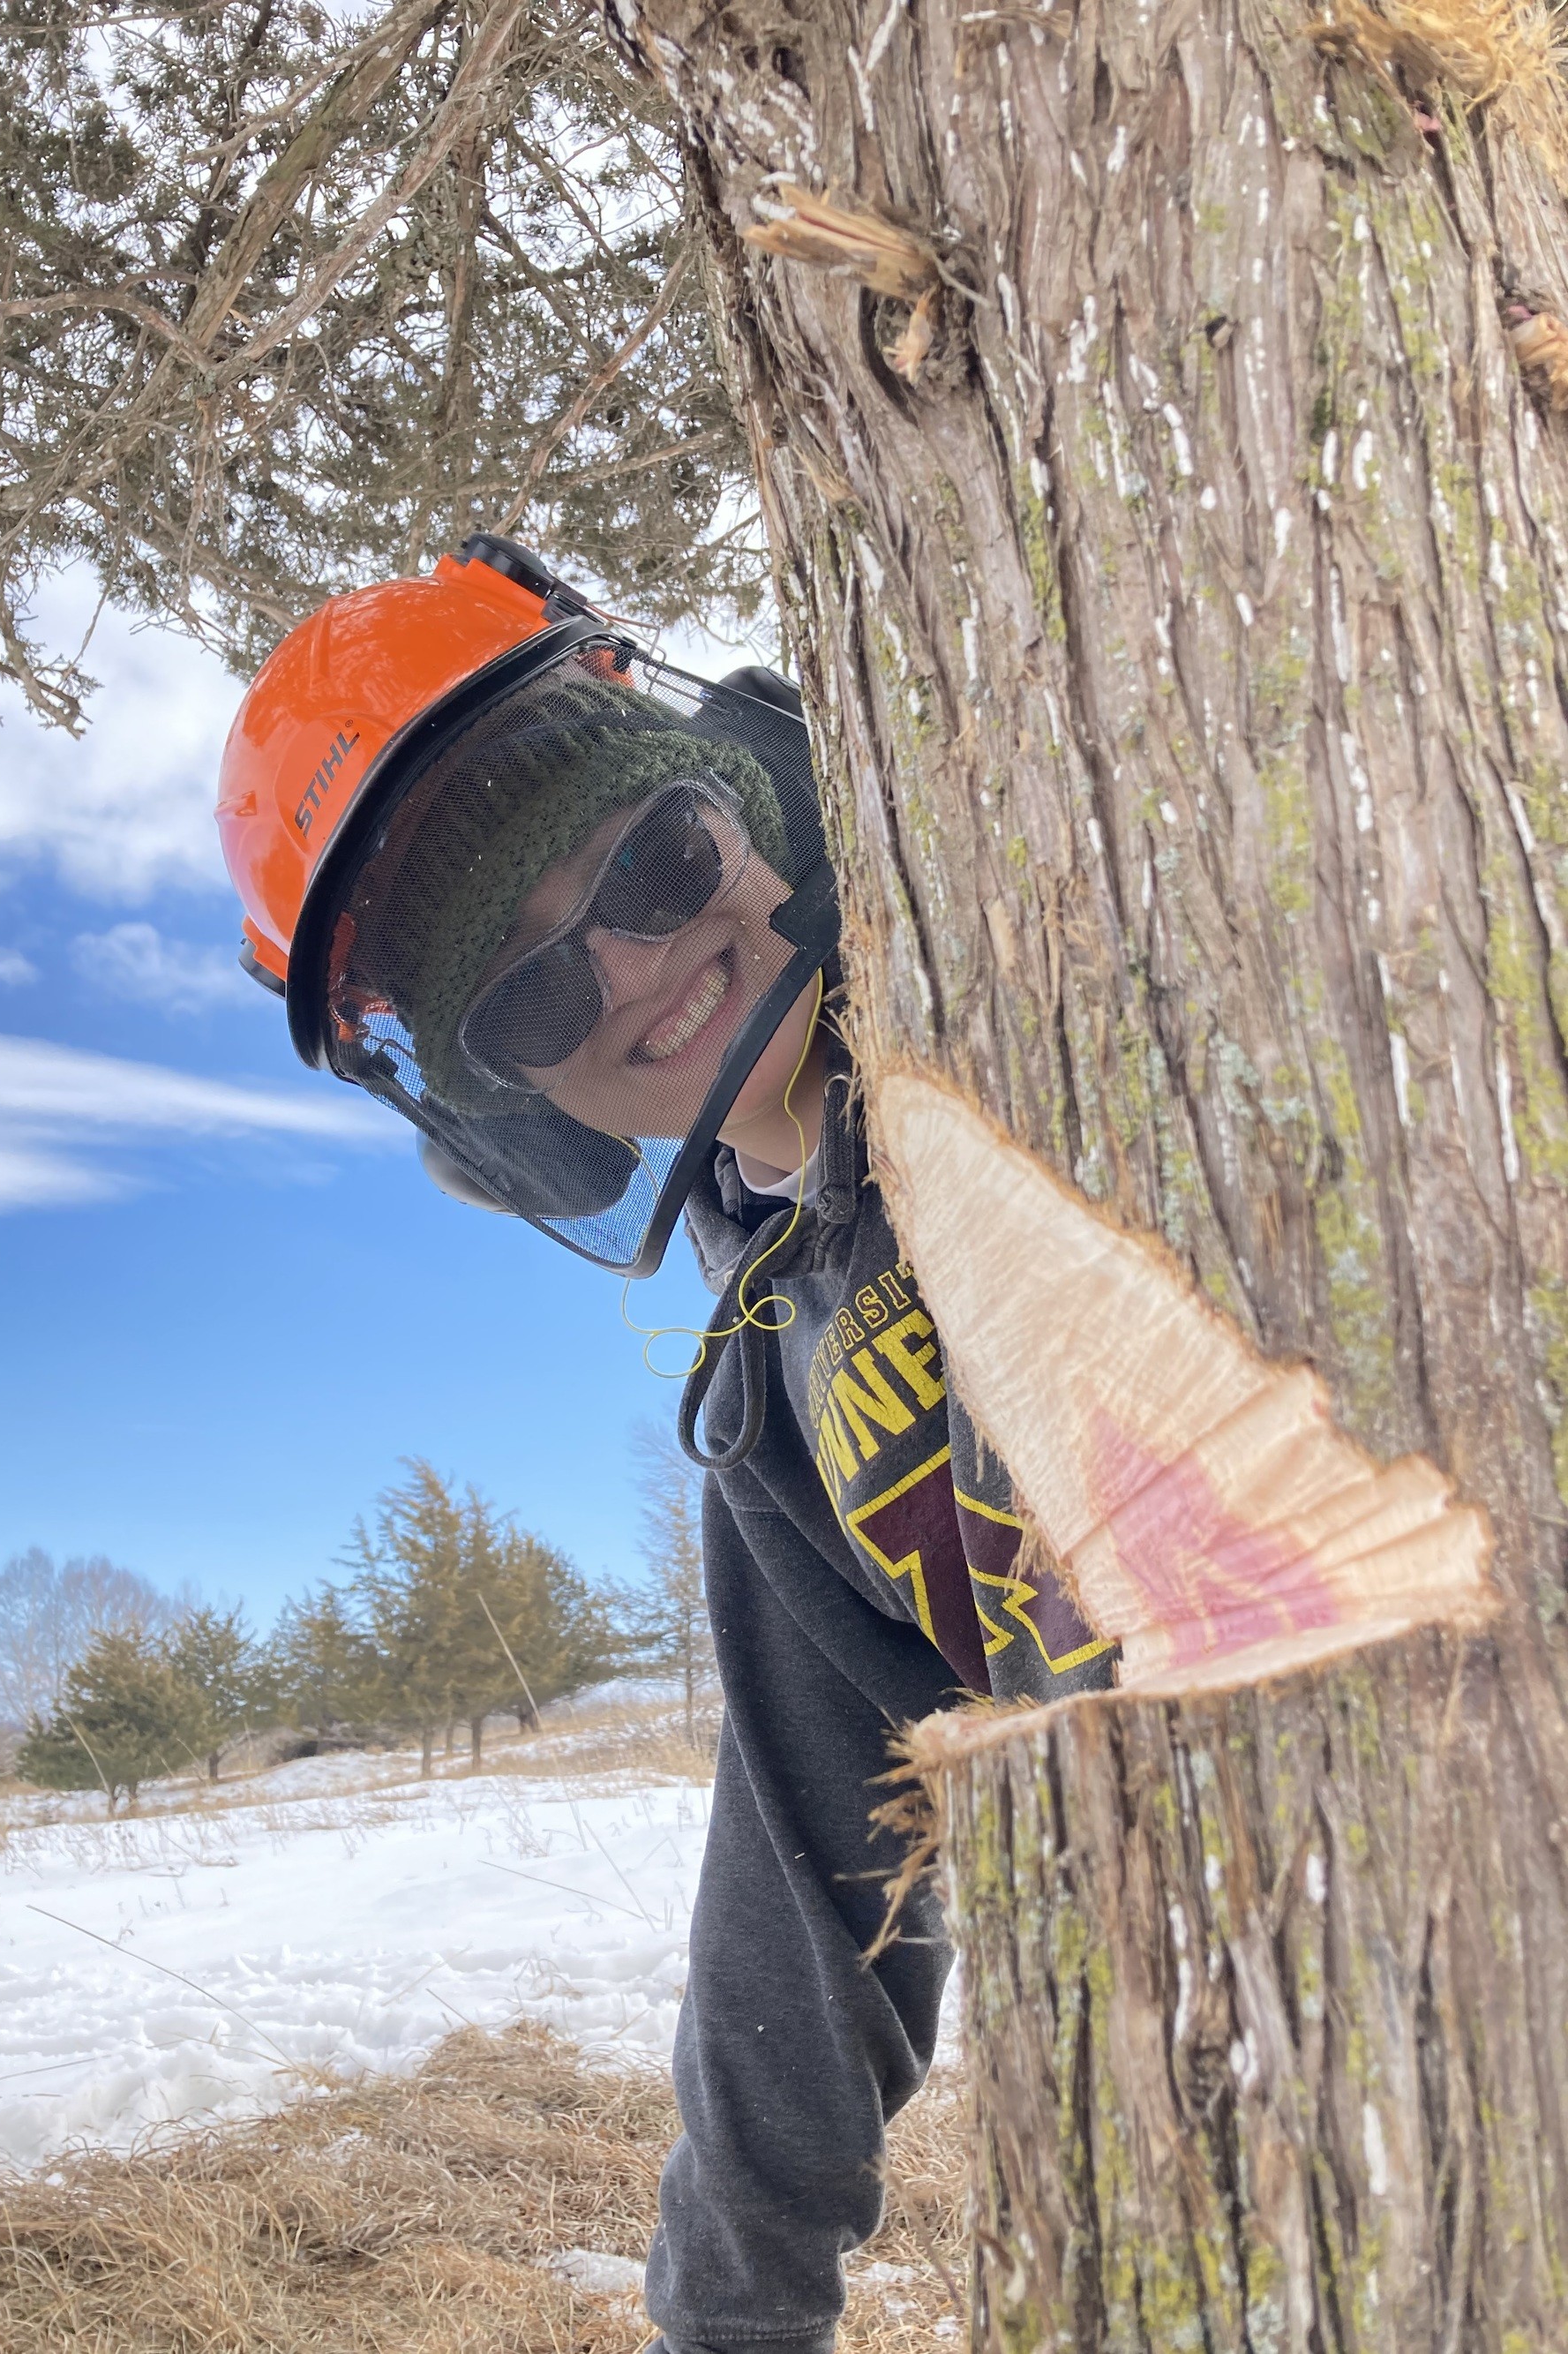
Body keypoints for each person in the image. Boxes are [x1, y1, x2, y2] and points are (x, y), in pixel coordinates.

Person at [215, 532, 1115, 2353]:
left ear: (737, 782)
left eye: (653, 858)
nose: (636, 968)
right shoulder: (776, 1405)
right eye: (530, 994)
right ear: (513, 1116)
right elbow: (803, 1905)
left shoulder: (1056, 967)